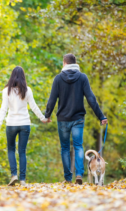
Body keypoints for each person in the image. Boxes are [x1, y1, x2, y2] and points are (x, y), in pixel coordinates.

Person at [44, 53, 108, 184]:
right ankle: (79, 175)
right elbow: (91, 98)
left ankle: (68, 178)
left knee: (65, 148)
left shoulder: (58, 79)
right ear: (75, 63)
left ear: (64, 63)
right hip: (78, 119)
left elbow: (52, 100)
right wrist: (101, 116)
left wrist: (47, 115)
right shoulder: (82, 77)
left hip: (62, 119)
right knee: (78, 146)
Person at [0, 66, 48, 186]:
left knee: (11, 150)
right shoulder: (27, 90)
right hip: (24, 124)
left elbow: (3, 109)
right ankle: (23, 179)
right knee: (22, 151)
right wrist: (43, 118)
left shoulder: (6, 91)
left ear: (12, 76)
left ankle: (14, 175)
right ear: (23, 76)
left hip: (11, 124)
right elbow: (34, 107)